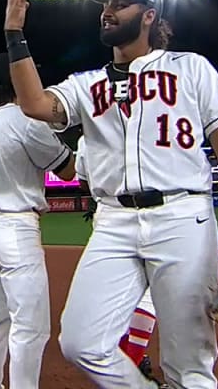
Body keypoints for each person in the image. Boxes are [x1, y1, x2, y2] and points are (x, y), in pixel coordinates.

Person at [2, 0, 218, 389]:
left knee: (188, 363)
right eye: (106, 5)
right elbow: (33, 103)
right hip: (113, 223)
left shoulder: (190, 68)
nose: (108, 11)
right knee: (81, 342)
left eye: (121, 4)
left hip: (182, 217)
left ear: (149, 16)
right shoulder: (87, 85)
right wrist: (15, 32)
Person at [0, 52, 76, 389]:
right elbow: (67, 170)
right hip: (16, 229)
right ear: (16, 82)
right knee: (30, 328)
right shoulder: (26, 121)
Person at [76, 136, 165, 389]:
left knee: (120, 297)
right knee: (149, 297)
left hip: (107, 216)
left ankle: (124, 362)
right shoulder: (152, 121)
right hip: (155, 215)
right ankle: (131, 364)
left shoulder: (88, 136)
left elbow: (83, 180)